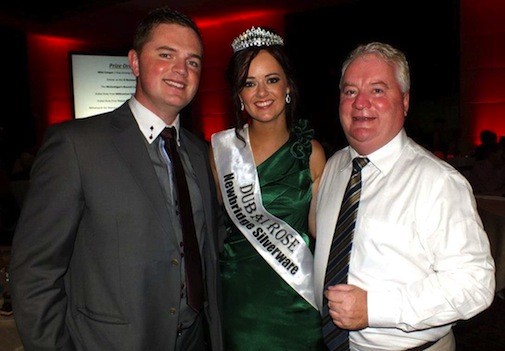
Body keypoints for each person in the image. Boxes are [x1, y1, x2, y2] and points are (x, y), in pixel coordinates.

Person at [10, 7, 224, 351]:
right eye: (166, 55)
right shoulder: (76, 146)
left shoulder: (200, 154)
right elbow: (35, 272)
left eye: (193, 61)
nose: (181, 70)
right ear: (135, 62)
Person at [313, 42, 495, 350]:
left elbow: (475, 285)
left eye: (378, 90)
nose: (360, 103)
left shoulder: (438, 182)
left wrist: (373, 309)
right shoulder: (335, 166)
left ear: (405, 101)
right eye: (350, 91)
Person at [209, 27, 326, 350]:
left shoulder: (312, 153)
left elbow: (323, 232)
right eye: (249, 83)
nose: (262, 93)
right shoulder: (220, 151)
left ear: (288, 85)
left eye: (272, 79)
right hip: (241, 306)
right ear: (238, 94)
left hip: (298, 302)